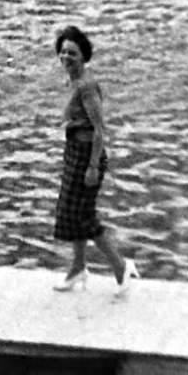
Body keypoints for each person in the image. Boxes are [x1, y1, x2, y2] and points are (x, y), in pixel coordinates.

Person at [52, 25, 137, 290]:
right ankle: (78, 267)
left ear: (83, 56)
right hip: (74, 153)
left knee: (84, 217)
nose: (66, 57)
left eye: (73, 53)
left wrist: (92, 166)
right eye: (63, 52)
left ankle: (121, 267)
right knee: (75, 213)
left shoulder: (87, 86)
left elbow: (100, 128)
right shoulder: (73, 81)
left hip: (88, 157)